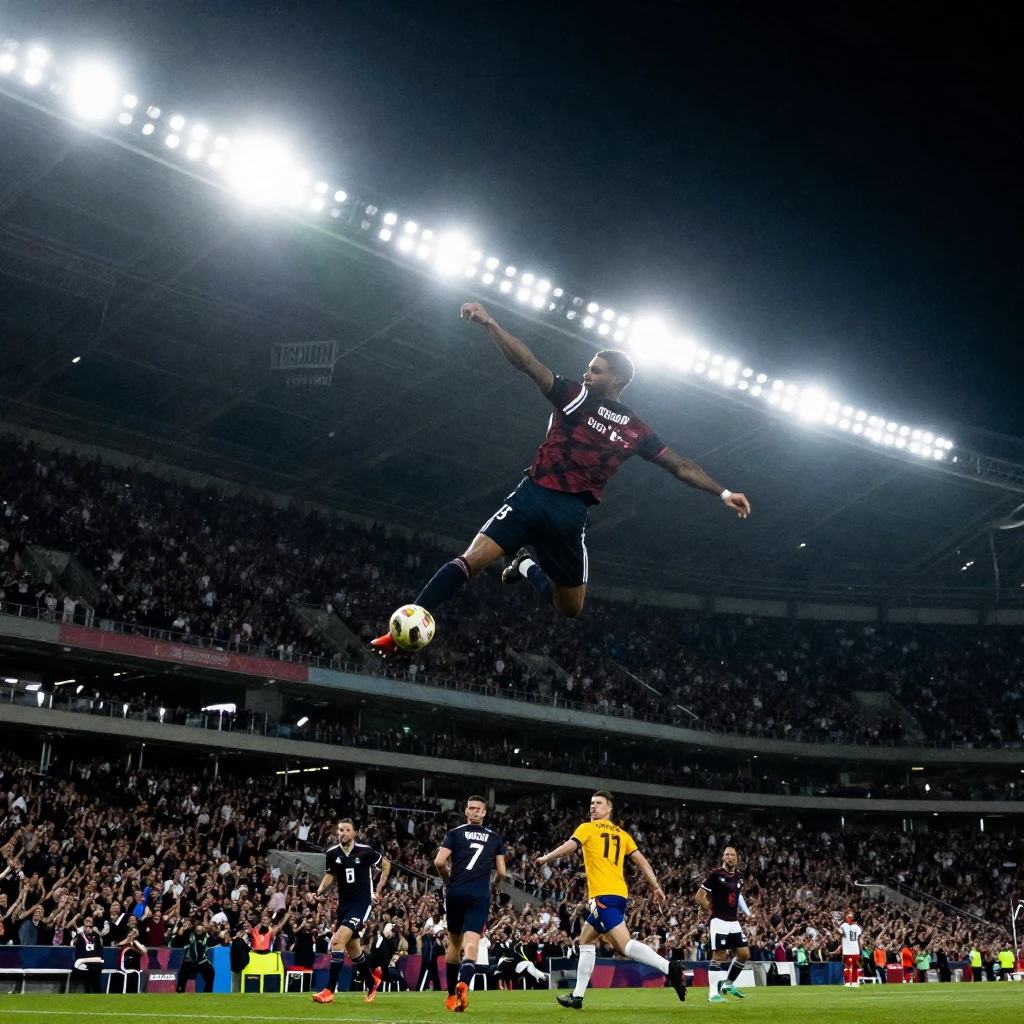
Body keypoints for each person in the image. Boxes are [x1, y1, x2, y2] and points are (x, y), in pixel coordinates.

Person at [370, 302, 751, 654]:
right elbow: (526, 362)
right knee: (471, 561)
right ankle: (402, 626)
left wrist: (724, 493)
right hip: (531, 496)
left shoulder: (634, 428)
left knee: (569, 608)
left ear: (617, 379)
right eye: (588, 368)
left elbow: (679, 465)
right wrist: (490, 324)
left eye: (596, 370)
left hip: (570, 516)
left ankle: (526, 566)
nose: (586, 373)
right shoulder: (574, 396)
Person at [535, 789, 686, 1010]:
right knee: (586, 940)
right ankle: (577, 996)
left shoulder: (587, 828)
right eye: (591, 803)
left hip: (603, 896)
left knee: (623, 946)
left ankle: (669, 967)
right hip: (619, 895)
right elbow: (642, 861)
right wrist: (655, 886)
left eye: (598, 803)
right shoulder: (623, 835)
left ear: (609, 809)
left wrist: (546, 858)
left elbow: (570, 847)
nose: (593, 806)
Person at [433, 794, 507, 1012]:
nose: (474, 811)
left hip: (456, 892)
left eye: (477, 808)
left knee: (454, 943)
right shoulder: (494, 837)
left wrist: (448, 880)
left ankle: (450, 996)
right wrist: (494, 884)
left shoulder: (454, 833)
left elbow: (439, 861)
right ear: (468, 811)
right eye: (472, 808)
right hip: (479, 893)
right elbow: (502, 872)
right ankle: (463, 985)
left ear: (482, 812)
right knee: (472, 943)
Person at [309, 818, 390, 1005]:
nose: (343, 833)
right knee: (353, 950)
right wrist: (318, 893)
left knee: (337, 942)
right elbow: (330, 875)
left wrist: (378, 889)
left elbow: (386, 865)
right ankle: (372, 982)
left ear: (354, 833)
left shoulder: (365, 851)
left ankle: (329, 990)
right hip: (344, 906)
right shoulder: (332, 854)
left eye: (347, 830)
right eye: (340, 830)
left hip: (361, 904)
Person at [695, 846, 753, 1003]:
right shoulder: (716, 874)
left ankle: (728, 984)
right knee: (719, 955)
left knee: (744, 954)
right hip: (719, 920)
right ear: (723, 857)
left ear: (737, 859)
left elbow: (738, 895)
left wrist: (748, 913)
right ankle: (713, 993)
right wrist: (711, 910)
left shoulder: (739, 876)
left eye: (733, 855)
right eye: (727, 854)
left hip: (733, 921)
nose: (730, 857)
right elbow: (699, 896)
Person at [176, 921, 215, 993]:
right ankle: (180, 990)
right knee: (182, 977)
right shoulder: (189, 934)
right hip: (189, 961)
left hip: (202, 961)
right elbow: (178, 942)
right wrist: (183, 929)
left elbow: (211, 941)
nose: (199, 930)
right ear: (194, 929)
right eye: (197, 928)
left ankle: (208, 993)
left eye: (201, 928)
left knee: (210, 974)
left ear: (204, 930)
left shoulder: (206, 936)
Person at [71, 916, 104, 993]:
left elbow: (100, 949)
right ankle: (87, 992)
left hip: (95, 960)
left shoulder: (96, 935)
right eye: (86, 921)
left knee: (95, 972)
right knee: (84, 974)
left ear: (92, 924)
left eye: (90, 921)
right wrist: (78, 933)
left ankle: (97, 993)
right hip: (83, 960)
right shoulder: (79, 934)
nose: (88, 923)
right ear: (83, 922)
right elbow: (73, 943)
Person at [839, 911, 863, 987]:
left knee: (847, 967)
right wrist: (860, 950)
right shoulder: (858, 928)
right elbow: (859, 939)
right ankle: (854, 982)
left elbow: (840, 932)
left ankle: (847, 982)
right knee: (855, 967)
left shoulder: (844, 925)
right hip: (855, 950)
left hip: (847, 950)